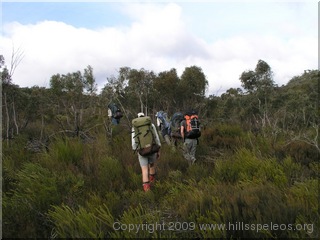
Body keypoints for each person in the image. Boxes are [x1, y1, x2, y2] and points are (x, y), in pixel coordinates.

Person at [132, 112, 161, 192]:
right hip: (152, 149)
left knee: (144, 170)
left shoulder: (135, 127)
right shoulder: (150, 125)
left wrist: (136, 150)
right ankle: (153, 183)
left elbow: (133, 142)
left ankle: (147, 192)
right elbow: (156, 137)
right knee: (152, 166)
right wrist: (158, 149)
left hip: (142, 151)